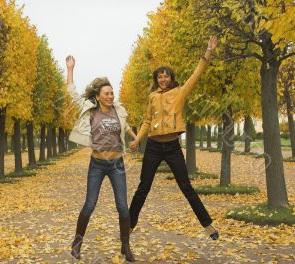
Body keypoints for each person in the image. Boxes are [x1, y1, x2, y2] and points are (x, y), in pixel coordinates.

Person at [129, 36, 219, 240]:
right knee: (143, 187)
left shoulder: (180, 92)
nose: (162, 79)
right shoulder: (152, 97)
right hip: (153, 146)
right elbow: (146, 121)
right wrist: (138, 140)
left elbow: (196, 74)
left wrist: (208, 51)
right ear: (156, 79)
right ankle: (129, 224)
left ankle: (208, 225)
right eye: (159, 77)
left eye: (166, 76)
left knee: (186, 186)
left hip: (172, 147)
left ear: (171, 78)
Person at [66, 55, 137, 262]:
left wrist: (135, 138)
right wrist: (70, 69)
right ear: (97, 96)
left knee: (123, 206)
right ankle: (77, 244)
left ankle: (126, 245)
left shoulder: (119, 110)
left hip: (117, 164)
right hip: (97, 164)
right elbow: (71, 92)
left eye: (112, 92)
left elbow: (127, 126)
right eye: (106, 93)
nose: (110, 96)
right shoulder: (90, 110)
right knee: (89, 204)